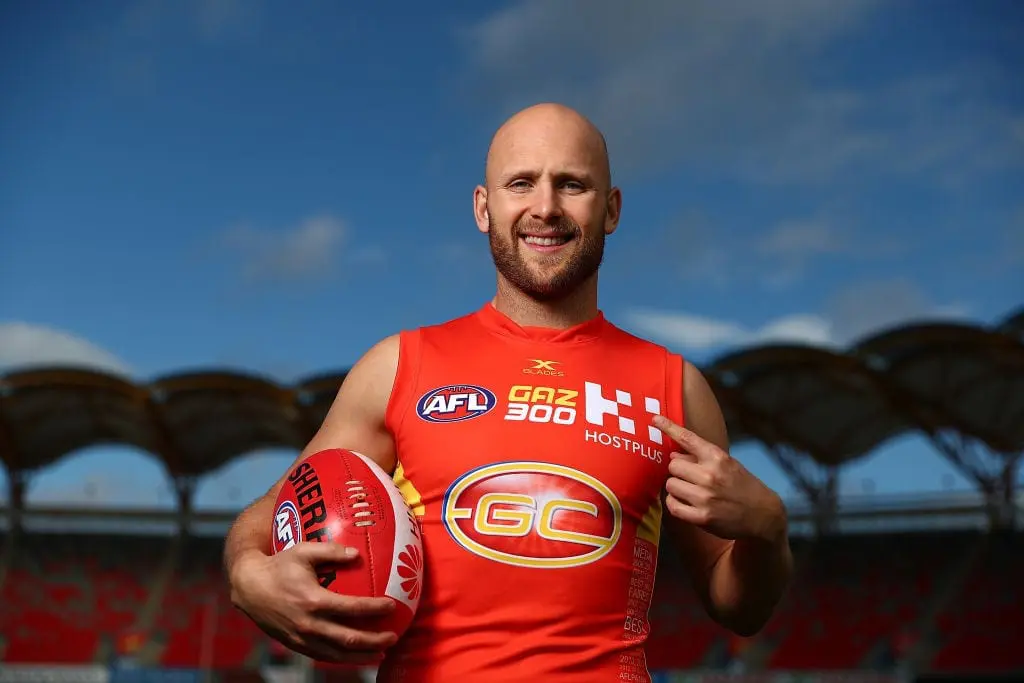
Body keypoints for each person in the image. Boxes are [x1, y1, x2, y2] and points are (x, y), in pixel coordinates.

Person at [223, 103, 793, 682]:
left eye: (572, 184)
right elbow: (275, 508)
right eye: (521, 183)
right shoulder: (397, 367)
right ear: (483, 207)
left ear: (612, 209)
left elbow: (737, 608)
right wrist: (247, 570)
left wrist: (768, 531)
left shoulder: (677, 390)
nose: (545, 207)